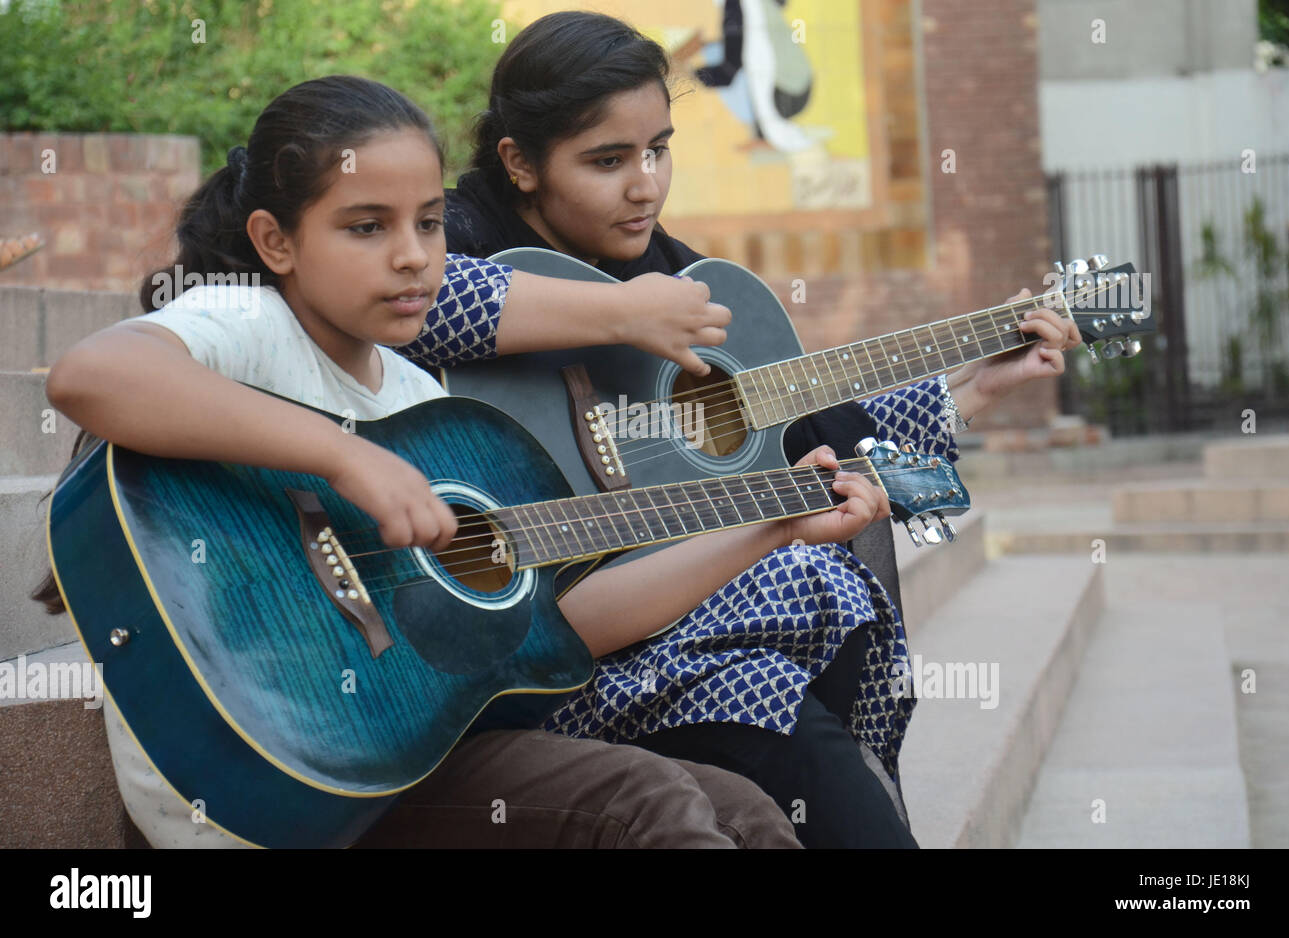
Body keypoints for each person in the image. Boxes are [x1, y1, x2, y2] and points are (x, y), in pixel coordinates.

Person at [37, 75, 892, 848]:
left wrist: (768, 525)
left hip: (405, 755)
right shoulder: (253, 329)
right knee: (648, 801)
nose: (414, 255)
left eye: (430, 222)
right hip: (277, 770)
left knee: (744, 811)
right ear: (276, 240)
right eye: (367, 227)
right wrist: (344, 459)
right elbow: (92, 376)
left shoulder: (420, 400)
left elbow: (568, 624)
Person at [396, 11, 1083, 848]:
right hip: (528, 650)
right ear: (519, 162)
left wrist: (978, 384)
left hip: (674, 626)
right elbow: (414, 305)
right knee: (794, 638)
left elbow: (808, 435)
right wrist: (619, 312)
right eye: (607, 161)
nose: (645, 184)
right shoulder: (461, 231)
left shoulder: (665, 267)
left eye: (659, 148)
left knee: (810, 626)